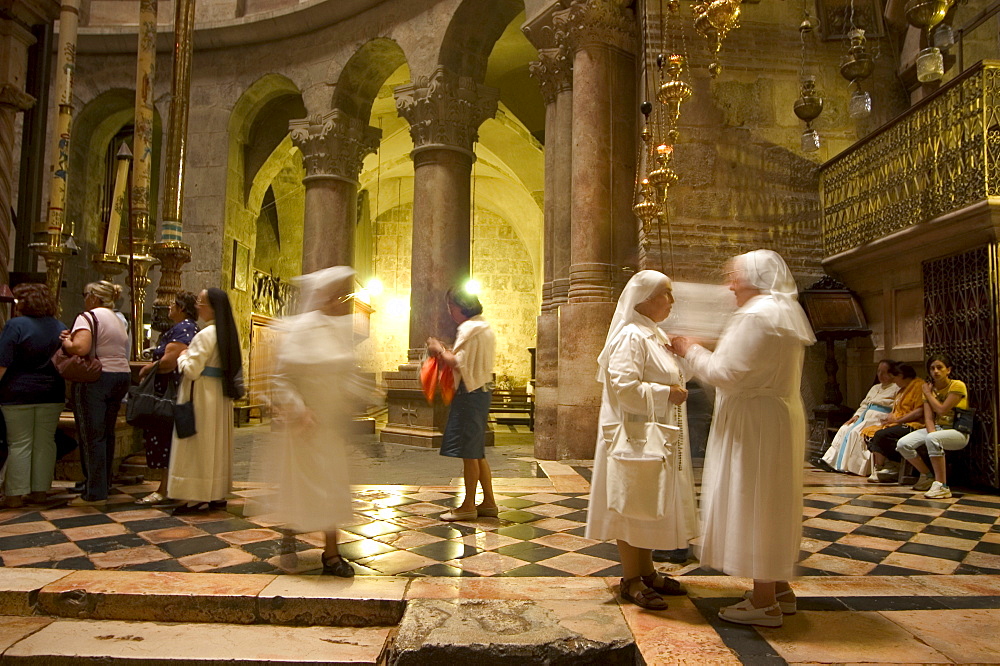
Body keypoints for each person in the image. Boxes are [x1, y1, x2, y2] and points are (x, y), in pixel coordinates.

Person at [668, 250, 815, 628]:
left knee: (754, 500)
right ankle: (779, 588)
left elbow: (726, 372)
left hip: (754, 422)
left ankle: (764, 602)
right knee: (772, 499)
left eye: (735, 277)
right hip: (776, 415)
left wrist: (689, 348)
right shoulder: (782, 310)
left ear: (755, 278)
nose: (729, 285)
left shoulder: (755, 314)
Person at [586, 270, 697, 611]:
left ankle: (646, 571)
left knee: (647, 501)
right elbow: (624, 387)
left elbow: (672, 373)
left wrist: (682, 354)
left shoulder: (653, 334)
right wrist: (666, 394)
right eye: (666, 293)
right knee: (632, 501)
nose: (672, 301)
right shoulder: (630, 337)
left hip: (654, 434)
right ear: (645, 299)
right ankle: (631, 579)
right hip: (634, 436)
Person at [266, 267, 363, 577]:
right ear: (325, 297)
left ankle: (331, 554)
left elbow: (343, 372)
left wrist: (353, 396)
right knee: (302, 486)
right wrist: (300, 409)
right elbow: (281, 378)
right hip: (304, 426)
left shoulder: (338, 329)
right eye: (339, 295)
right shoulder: (301, 329)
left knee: (331, 489)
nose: (343, 301)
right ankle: (290, 536)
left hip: (330, 427)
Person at [167, 288, 244, 514]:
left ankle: (195, 494)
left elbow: (192, 370)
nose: (198, 307)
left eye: (201, 302)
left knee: (197, 447)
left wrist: (182, 358)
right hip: (218, 395)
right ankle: (215, 492)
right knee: (215, 445)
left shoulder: (205, 334)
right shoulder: (226, 332)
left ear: (211, 307)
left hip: (201, 396)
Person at [426, 287, 497, 522]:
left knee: (469, 452)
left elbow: (459, 363)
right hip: (482, 390)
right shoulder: (485, 327)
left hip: (469, 392)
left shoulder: (469, 328)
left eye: (451, 307)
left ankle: (467, 506)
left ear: (461, 306)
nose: (450, 312)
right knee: (477, 452)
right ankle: (488, 502)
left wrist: (438, 350)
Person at [61, 281, 131, 507]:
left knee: (92, 434)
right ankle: (103, 483)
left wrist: (67, 341)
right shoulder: (118, 319)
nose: (84, 299)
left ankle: (94, 492)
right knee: (107, 433)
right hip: (121, 376)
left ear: (93, 296)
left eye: (85, 294)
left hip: (97, 378)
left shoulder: (88, 316)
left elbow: (81, 348)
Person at [0, 284, 67, 507]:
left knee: (19, 443)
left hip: (18, 391)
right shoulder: (59, 326)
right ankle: (40, 493)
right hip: (52, 391)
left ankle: (15, 495)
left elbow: (3, 361)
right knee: (45, 442)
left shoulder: (15, 325)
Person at [134, 291, 199, 505]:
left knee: (166, 439)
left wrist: (149, 368)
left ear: (181, 308)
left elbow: (171, 360)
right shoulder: (185, 328)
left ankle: (165, 488)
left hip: (169, 393)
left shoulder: (184, 329)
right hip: (173, 392)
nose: (169, 307)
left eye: (173, 304)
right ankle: (168, 486)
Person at [895, 354, 969, 499]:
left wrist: (928, 393)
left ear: (948, 370)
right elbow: (928, 417)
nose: (936, 371)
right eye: (932, 368)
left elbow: (942, 410)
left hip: (957, 431)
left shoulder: (957, 385)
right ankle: (927, 476)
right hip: (937, 429)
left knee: (933, 439)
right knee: (903, 444)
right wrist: (932, 433)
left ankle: (942, 485)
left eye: (940, 368)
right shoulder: (930, 389)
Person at [819, 359, 899, 475]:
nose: (880, 375)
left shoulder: (896, 387)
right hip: (865, 417)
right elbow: (865, 404)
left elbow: (897, 406)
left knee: (855, 432)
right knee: (844, 429)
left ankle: (854, 467)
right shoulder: (875, 388)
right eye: (878, 372)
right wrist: (856, 415)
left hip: (878, 419)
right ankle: (831, 461)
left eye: (884, 372)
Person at [863, 363, 923, 483]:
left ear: (901, 375)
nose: (894, 382)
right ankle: (889, 466)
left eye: (895, 378)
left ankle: (880, 468)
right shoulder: (901, 390)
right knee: (868, 433)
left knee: (880, 435)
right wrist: (889, 418)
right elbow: (895, 409)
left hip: (913, 424)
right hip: (897, 422)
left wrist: (898, 420)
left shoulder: (919, 386)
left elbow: (919, 411)